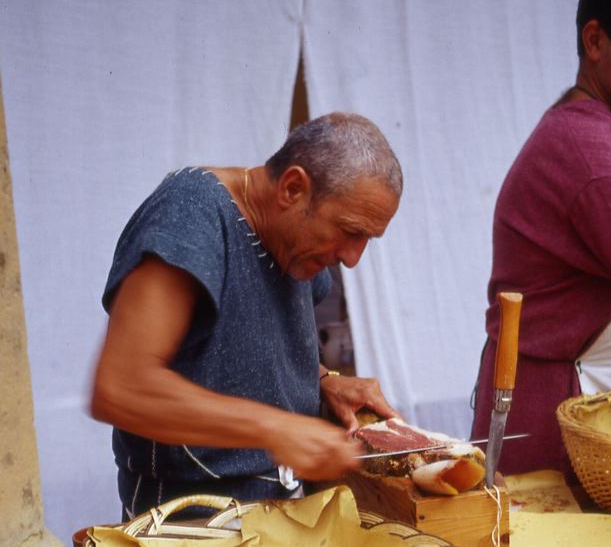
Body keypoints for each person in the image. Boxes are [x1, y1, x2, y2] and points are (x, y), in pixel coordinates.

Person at [91, 113, 401, 517]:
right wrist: (273, 428)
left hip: (276, 516)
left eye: (367, 240)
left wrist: (323, 379)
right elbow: (122, 387)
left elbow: (250, 342)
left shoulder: (295, 247)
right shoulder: (191, 214)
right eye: (350, 231)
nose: (352, 258)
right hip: (184, 528)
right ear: (293, 188)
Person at [471, 0, 611, 478]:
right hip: (557, 434)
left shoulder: (596, 130)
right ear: (596, 39)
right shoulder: (596, 150)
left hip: (572, 413)